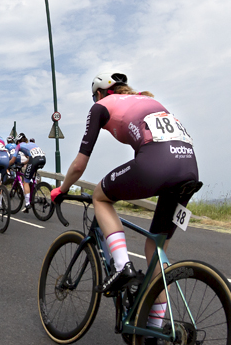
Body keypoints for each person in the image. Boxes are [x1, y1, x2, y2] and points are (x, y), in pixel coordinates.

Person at [51, 72, 198, 308]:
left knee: (100, 196)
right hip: (189, 167)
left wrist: (62, 189)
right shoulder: (148, 100)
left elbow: (79, 165)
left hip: (157, 162)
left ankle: (122, 267)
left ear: (98, 94)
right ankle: (158, 328)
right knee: (156, 250)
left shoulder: (101, 107)